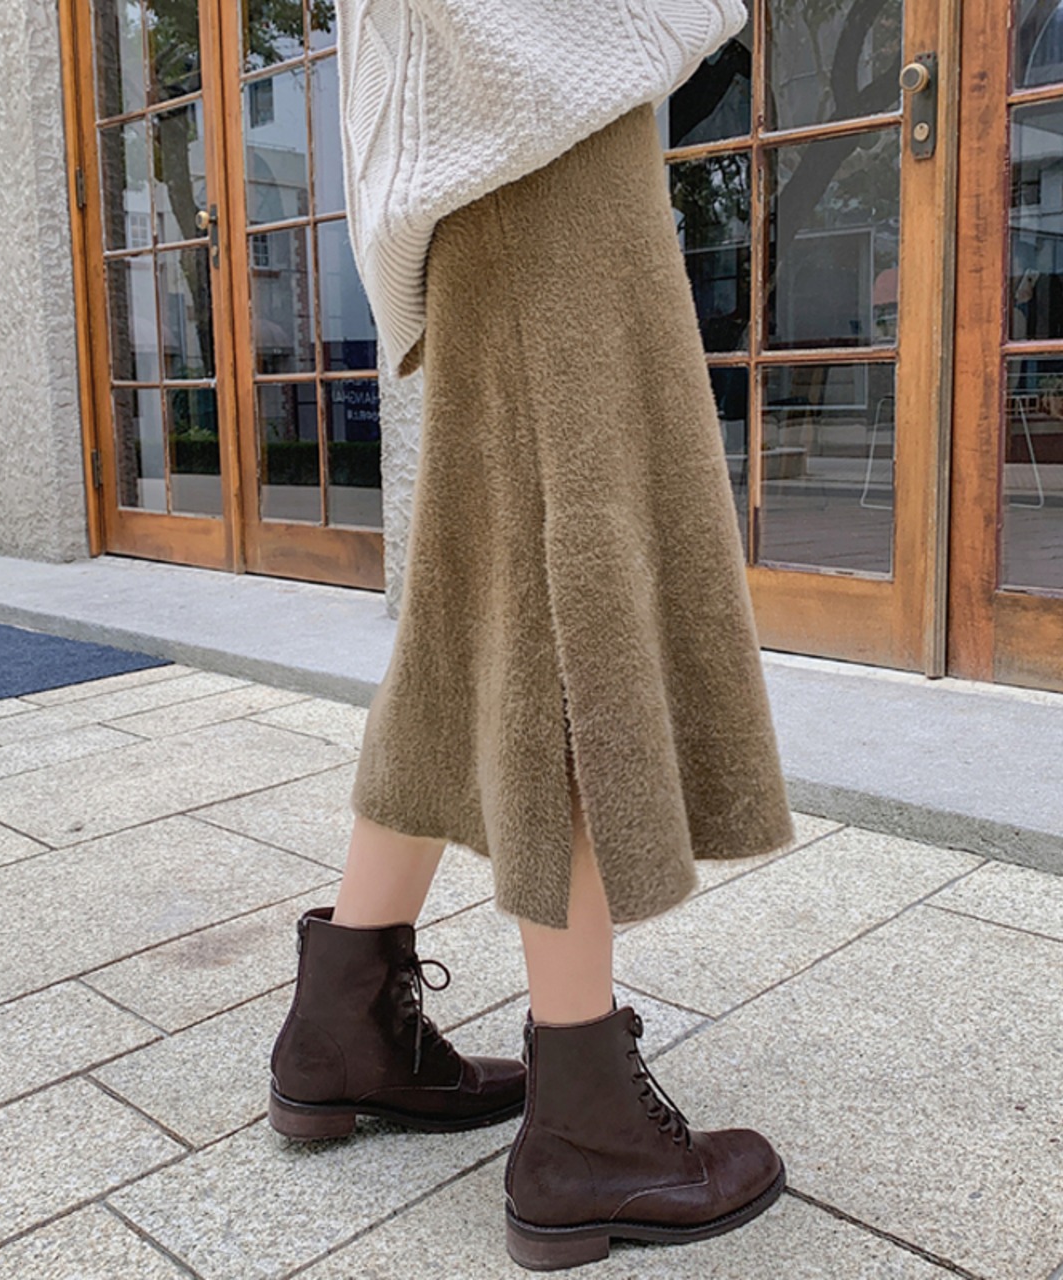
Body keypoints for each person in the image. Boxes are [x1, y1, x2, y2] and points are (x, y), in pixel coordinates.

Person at [269, 0, 797, 1269]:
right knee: (569, 606)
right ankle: (587, 1135)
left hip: (512, 141)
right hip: (533, 140)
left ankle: (341, 1026)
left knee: (475, 616)